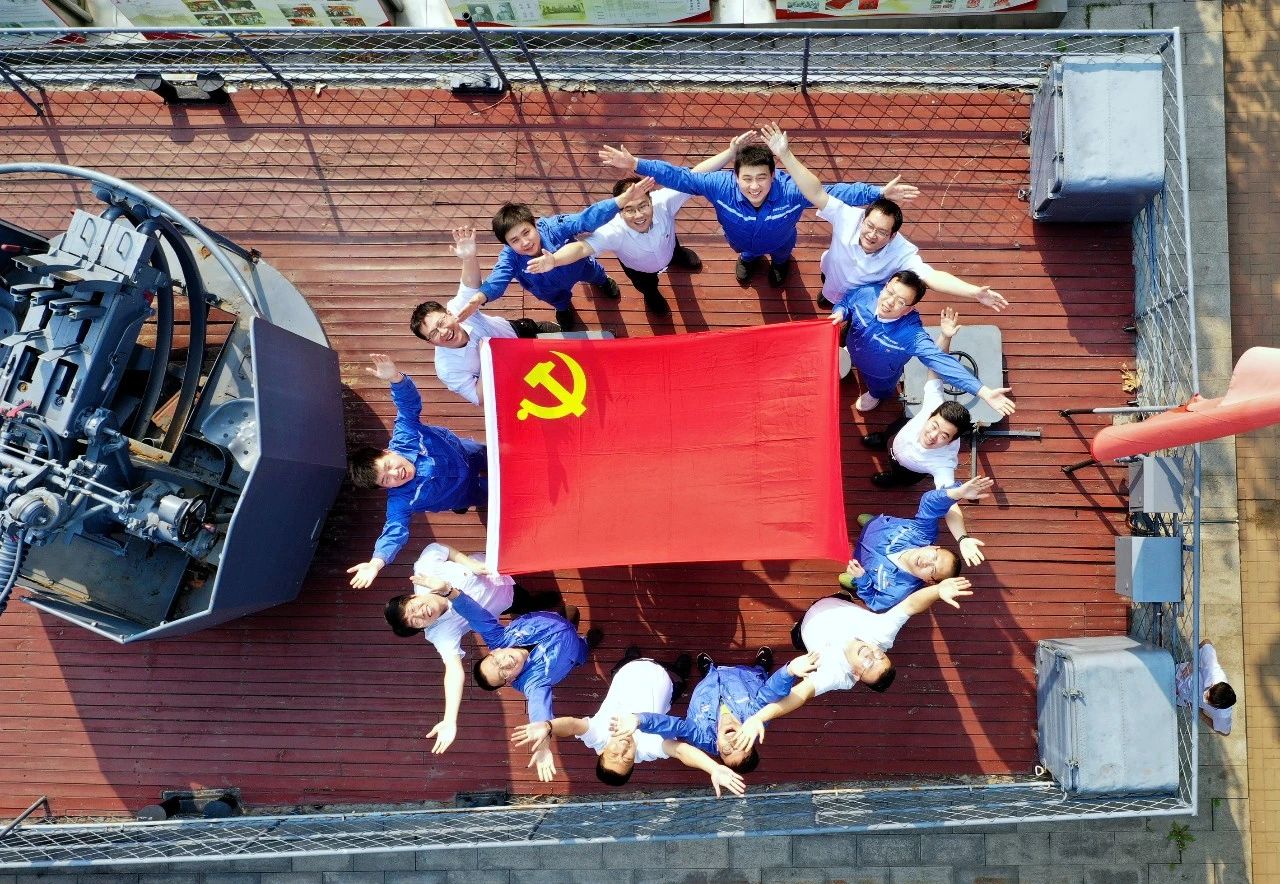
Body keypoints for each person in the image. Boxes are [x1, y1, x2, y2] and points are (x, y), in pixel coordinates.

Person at [756, 122, 1009, 312]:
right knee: (826, 292)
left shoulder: (902, 252)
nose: (871, 235)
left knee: (842, 312)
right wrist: (785, 155)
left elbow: (931, 277)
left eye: (881, 232)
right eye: (870, 226)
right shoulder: (848, 217)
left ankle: (833, 303)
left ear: (893, 235)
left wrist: (973, 292)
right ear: (863, 218)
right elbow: (815, 192)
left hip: (857, 298)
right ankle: (827, 296)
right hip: (832, 273)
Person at [600, 136, 916, 287]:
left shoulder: (792, 190)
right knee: (746, 252)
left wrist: (877, 193)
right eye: (747, 179)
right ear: (735, 176)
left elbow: (834, 192)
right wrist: (637, 164)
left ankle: (779, 265)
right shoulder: (719, 186)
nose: (754, 187)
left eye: (762, 178)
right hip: (740, 241)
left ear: (773, 176)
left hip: (781, 241)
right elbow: (681, 176)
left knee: (781, 257)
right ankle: (749, 260)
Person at [531, 132, 757, 316]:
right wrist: (555, 260)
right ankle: (651, 295)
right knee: (647, 286)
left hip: (669, 245)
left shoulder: (664, 201)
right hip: (639, 269)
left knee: (674, 247)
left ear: (651, 200)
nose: (638, 215)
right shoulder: (612, 231)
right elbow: (582, 248)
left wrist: (731, 152)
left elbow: (696, 174)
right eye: (629, 209)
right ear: (620, 211)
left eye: (643, 206)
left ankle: (677, 257)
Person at [730, 582, 974, 752]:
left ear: (856, 675)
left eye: (868, 664)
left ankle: (799, 629)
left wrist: (759, 717)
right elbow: (911, 605)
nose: (871, 654)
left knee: (798, 637)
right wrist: (937, 590)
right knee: (839, 598)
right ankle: (838, 598)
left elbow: (800, 695)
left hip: (807, 629)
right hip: (833, 603)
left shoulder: (836, 674)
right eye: (879, 655)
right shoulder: (880, 635)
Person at [382, 543, 564, 754]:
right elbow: (453, 671)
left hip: (491, 567)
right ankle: (535, 603)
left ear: (413, 597)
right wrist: (449, 719)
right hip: (505, 600)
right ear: (420, 628)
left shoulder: (424, 569)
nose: (420, 614)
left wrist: (469, 563)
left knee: (528, 554)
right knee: (524, 601)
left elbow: (442, 549)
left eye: (413, 609)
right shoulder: (439, 633)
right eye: (415, 622)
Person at [417, 578, 601, 775]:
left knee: (570, 614)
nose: (505, 663)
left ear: (494, 652)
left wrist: (450, 592)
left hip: (552, 620)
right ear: (509, 681)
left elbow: (474, 614)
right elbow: (539, 710)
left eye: (496, 662)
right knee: (582, 650)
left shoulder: (498, 639)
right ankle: (586, 644)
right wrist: (542, 744)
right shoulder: (533, 683)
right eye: (502, 673)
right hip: (574, 650)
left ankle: (567, 622)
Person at [509, 649, 747, 797]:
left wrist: (548, 727)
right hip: (664, 678)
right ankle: (679, 672)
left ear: (602, 751)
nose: (622, 750)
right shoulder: (647, 748)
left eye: (613, 754)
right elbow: (681, 751)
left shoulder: (599, 736)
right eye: (626, 758)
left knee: (628, 656)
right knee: (679, 675)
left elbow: (571, 725)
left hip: (629, 669)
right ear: (635, 760)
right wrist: (713, 768)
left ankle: (632, 655)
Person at [346, 355, 487, 589]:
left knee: (496, 455)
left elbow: (408, 405)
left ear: (387, 451)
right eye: (386, 480)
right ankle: (463, 503)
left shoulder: (405, 435)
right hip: (464, 492)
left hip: (464, 452)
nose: (395, 474)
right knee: (501, 494)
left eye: (388, 466)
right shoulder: (401, 500)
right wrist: (376, 562)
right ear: (384, 488)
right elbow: (394, 530)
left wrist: (396, 379)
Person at [473, 178, 658, 332]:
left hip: (580, 266)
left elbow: (585, 220)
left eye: (526, 232)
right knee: (558, 300)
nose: (525, 242)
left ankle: (603, 281)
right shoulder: (509, 258)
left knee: (595, 273)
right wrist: (481, 296)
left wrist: (620, 201)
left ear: (534, 225)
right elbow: (498, 278)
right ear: (507, 244)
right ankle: (563, 308)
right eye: (515, 240)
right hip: (547, 288)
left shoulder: (555, 227)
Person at [829, 270, 1017, 415]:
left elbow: (940, 361)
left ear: (909, 309)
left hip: (881, 373)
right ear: (885, 285)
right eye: (890, 292)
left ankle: (876, 395)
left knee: (881, 387)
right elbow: (847, 302)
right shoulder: (866, 292)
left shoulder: (911, 335)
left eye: (901, 301)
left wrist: (982, 391)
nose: (889, 302)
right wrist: (840, 312)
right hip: (853, 347)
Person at [609, 647, 819, 775]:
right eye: (741, 744)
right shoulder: (755, 718)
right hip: (742, 676)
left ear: (717, 747)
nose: (732, 743)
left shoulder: (702, 737)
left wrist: (639, 720)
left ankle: (709, 670)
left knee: (709, 675)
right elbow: (771, 693)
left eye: (726, 751)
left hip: (709, 685)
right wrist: (789, 671)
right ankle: (761, 666)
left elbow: (674, 726)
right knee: (759, 675)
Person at [410, 226, 557, 406]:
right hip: (516, 374)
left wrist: (469, 258)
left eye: (441, 322)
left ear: (449, 313)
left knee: (572, 339)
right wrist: (487, 359)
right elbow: (480, 398)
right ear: (430, 342)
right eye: (433, 333)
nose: (443, 332)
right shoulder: (447, 369)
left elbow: (470, 285)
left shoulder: (458, 309)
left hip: (523, 333)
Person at [861, 306, 976, 489]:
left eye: (944, 436)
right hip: (899, 434)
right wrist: (946, 336)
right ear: (931, 416)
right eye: (934, 426)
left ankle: (893, 479)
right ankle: (883, 439)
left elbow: (947, 492)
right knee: (891, 431)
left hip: (908, 470)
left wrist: (956, 495)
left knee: (901, 479)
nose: (932, 436)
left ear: (952, 441)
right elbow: (936, 367)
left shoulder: (944, 463)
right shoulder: (934, 406)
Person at [843, 477, 993, 612]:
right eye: (934, 557)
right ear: (933, 547)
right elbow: (929, 503)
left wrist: (862, 579)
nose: (927, 562)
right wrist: (958, 493)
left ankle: (855, 582)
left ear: (929, 581)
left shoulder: (897, 591)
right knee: (869, 523)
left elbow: (875, 602)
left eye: (933, 569)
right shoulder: (923, 534)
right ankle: (869, 524)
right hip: (877, 527)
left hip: (859, 565)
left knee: (849, 577)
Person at [1175, 639, 1237, 735]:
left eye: (1207, 701)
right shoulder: (1214, 672)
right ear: (1213, 685)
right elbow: (1206, 642)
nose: (1204, 697)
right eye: (1207, 691)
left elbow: (1225, 732)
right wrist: (1192, 664)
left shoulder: (1223, 714)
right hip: (1179, 673)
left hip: (1180, 698)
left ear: (1217, 707)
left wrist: (1201, 715)